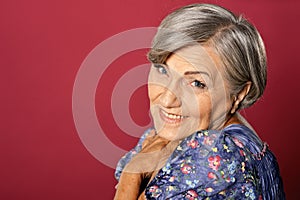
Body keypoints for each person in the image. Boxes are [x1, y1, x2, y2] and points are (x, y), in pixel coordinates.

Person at [114, 3, 285, 200]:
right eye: (163, 71)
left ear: (239, 94)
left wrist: (132, 172)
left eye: (196, 83)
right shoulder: (228, 139)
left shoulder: (216, 153)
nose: (168, 99)